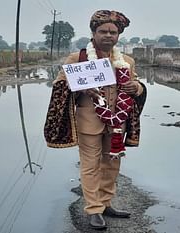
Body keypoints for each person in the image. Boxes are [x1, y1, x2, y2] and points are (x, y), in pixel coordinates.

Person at [44, 10, 147, 230]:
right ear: (93, 32)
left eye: (113, 32)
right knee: (90, 166)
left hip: (118, 122)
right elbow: (59, 86)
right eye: (103, 31)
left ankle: (106, 203)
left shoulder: (126, 61)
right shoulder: (78, 58)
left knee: (112, 164)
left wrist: (136, 87)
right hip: (88, 121)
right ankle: (93, 209)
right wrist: (81, 86)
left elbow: (137, 84)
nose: (108, 35)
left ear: (119, 35)